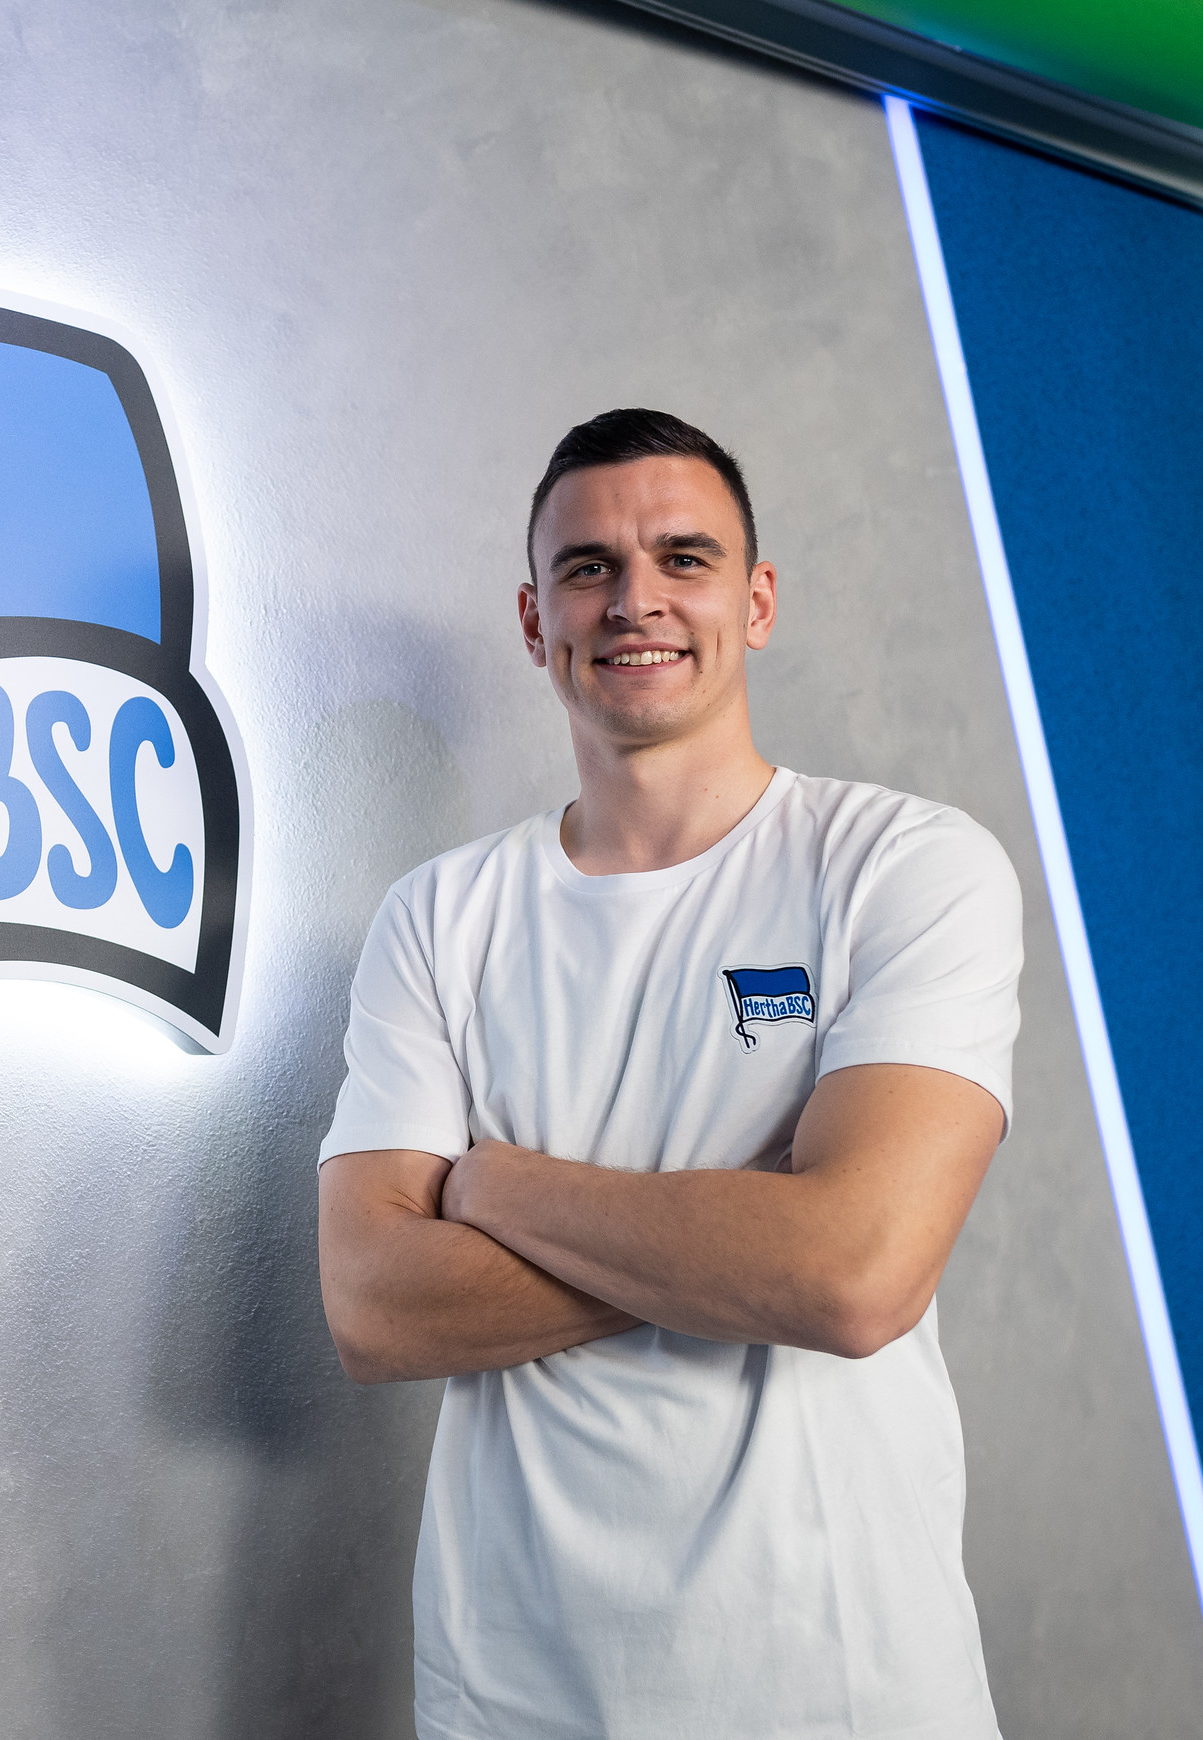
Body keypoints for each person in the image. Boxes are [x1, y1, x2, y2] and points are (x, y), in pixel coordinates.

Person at [316, 408, 1021, 1739]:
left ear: (755, 603)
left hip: (844, 1688)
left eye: (683, 558)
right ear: (536, 621)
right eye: (588, 568)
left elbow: (851, 1275)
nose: (635, 597)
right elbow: (372, 1307)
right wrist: (747, 1231)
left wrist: (498, 1183)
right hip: (517, 1695)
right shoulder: (439, 917)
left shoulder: (902, 870)